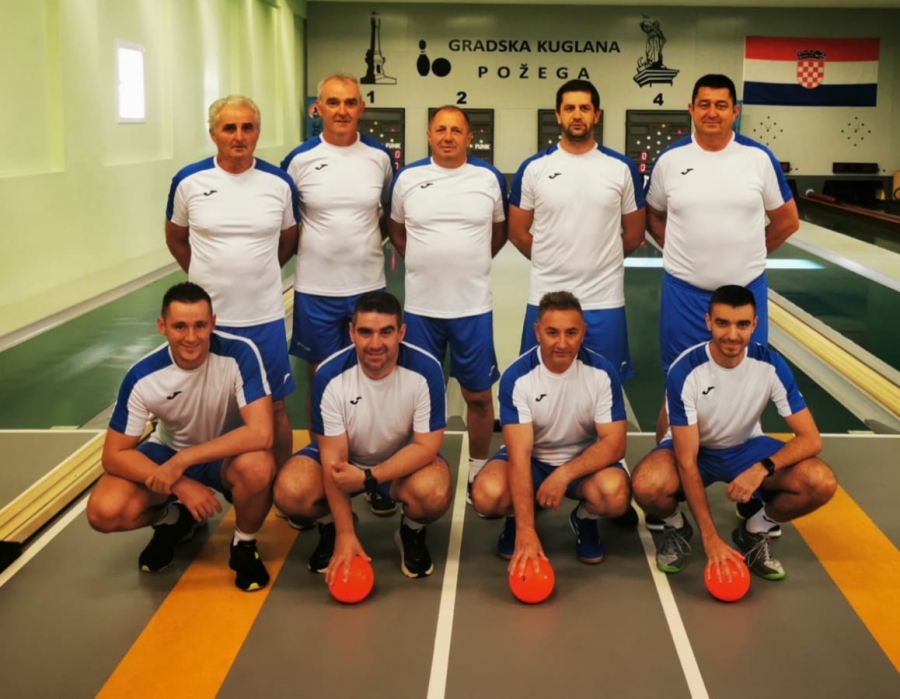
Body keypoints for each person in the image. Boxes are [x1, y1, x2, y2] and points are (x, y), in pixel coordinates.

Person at [631, 285, 836, 581]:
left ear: (754, 324)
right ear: (708, 322)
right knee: (646, 484)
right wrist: (710, 538)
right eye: (722, 323)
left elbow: (811, 439)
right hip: (697, 451)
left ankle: (755, 530)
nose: (732, 334)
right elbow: (687, 461)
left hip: (746, 447)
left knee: (820, 482)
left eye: (742, 324)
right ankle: (677, 526)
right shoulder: (686, 371)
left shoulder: (770, 365)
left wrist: (761, 469)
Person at [86, 283, 276, 592]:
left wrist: (184, 460)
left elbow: (261, 432)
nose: (191, 337)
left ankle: (244, 543)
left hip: (224, 456)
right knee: (104, 512)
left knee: (259, 465)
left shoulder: (239, 353)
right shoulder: (142, 376)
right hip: (168, 450)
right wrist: (179, 483)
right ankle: (173, 519)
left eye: (200, 325)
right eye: (180, 326)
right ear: (162, 327)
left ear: (213, 323)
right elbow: (114, 454)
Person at [645, 73, 799, 441]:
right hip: (685, 296)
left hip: (745, 294)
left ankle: (745, 462)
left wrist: (750, 254)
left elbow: (787, 221)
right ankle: (669, 466)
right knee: (676, 385)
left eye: (720, 105)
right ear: (691, 109)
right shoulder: (670, 160)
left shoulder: (758, 158)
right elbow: (653, 215)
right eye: (704, 104)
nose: (711, 112)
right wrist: (679, 252)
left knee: (749, 384)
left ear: (735, 111)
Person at [272, 291, 452, 581]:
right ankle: (332, 527)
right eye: (366, 332)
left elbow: (425, 447)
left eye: (386, 332)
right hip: (347, 459)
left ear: (401, 333)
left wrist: (369, 478)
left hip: (400, 459)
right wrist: (346, 533)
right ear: (351, 332)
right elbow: (334, 460)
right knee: (290, 491)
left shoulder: (426, 369)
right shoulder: (329, 376)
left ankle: (411, 530)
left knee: (434, 492)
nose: (375, 343)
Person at [281, 73, 396, 517]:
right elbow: (288, 221)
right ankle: (326, 471)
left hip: (368, 288)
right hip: (316, 290)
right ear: (319, 109)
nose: (342, 110)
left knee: (375, 376)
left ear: (361, 108)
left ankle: (375, 473)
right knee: (323, 380)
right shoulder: (299, 161)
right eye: (333, 102)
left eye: (350, 102)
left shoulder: (380, 158)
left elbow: (387, 215)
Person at [165, 95, 299, 473]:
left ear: (257, 132)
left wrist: (258, 274)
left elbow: (288, 239)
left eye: (247, 127)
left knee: (274, 407)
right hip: (207, 324)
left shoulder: (279, 183)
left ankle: (280, 487)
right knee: (198, 406)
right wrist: (204, 279)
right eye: (229, 128)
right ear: (213, 134)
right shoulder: (188, 181)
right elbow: (176, 239)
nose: (239, 136)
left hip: (263, 319)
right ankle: (192, 484)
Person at [388, 105, 508, 497]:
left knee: (479, 395)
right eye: (440, 129)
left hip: (472, 308)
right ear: (428, 134)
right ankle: (416, 465)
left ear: (470, 138)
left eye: (456, 130)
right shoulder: (408, 178)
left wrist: (468, 264)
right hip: (422, 310)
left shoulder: (487, 178)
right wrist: (425, 263)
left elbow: (499, 234)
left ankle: (477, 468)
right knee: (415, 394)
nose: (448, 136)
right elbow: (397, 232)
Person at [470, 292, 631, 575]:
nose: (562, 343)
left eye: (571, 333)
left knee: (616, 495)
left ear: (583, 332)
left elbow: (615, 445)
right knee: (487, 494)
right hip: (532, 461)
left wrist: (563, 474)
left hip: (581, 463)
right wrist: (526, 530)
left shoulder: (602, 373)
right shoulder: (517, 378)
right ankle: (517, 518)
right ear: (537, 332)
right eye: (552, 332)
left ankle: (585, 518)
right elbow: (519, 457)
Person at [509, 79, 646, 383]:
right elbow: (517, 232)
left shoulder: (621, 168)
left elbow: (635, 234)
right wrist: (549, 259)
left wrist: (602, 260)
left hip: (604, 299)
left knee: (605, 385)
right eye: (569, 108)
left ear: (597, 114)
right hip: (546, 296)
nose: (577, 115)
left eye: (584, 108)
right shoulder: (534, 168)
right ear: (558, 115)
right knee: (539, 384)